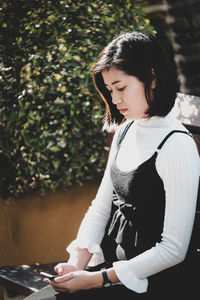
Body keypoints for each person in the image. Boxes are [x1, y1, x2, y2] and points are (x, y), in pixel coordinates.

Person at [25, 31, 200, 299]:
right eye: (110, 90)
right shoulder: (125, 130)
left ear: (152, 78)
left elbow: (173, 250)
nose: (115, 100)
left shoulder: (176, 145)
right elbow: (101, 207)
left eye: (121, 87)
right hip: (111, 272)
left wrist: (97, 279)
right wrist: (77, 263)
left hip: (154, 283)